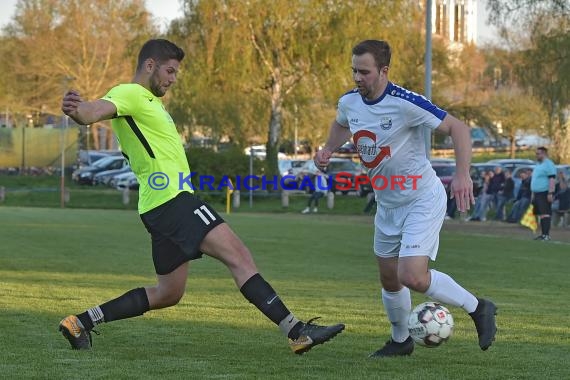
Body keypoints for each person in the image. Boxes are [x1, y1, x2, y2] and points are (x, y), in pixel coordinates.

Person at [58, 39, 344, 353]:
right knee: (240, 257)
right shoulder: (131, 93)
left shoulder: (152, 103)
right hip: (174, 200)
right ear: (150, 65)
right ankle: (297, 332)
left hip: (157, 207)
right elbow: (94, 111)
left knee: (168, 293)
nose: (173, 78)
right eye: (169, 70)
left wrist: (82, 111)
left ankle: (80, 322)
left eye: (176, 72)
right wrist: (78, 110)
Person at [314, 40, 497, 358]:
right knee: (389, 277)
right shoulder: (349, 102)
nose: (358, 78)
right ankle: (401, 341)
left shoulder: (405, 102)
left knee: (410, 275)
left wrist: (462, 174)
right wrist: (328, 148)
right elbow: (343, 123)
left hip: (421, 198)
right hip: (387, 203)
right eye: (354, 71)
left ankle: (479, 307)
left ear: (384, 71)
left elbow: (459, 128)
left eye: (365, 72)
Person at [531, 147, 557, 240]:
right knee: (541, 214)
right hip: (537, 193)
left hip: (544, 192)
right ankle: (543, 234)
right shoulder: (538, 164)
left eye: (538, 154)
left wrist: (550, 192)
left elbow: (552, 179)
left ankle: (546, 235)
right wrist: (533, 193)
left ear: (544, 154)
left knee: (545, 213)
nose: (536, 155)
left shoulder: (549, 164)